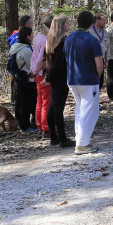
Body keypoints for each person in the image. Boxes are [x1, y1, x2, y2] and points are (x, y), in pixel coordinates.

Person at [64, 11, 104, 154]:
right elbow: (99, 65)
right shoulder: (93, 40)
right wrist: (97, 77)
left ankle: (80, 140)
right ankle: (82, 144)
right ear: (91, 23)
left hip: (72, 79)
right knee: (90, 113)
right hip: (88, 79)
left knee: (80, 111)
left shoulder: (68, 39)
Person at [44, 15, 73, 147]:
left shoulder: (50, 39)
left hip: (54, 78)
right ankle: (62, 139)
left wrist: (48, 76)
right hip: (60, 78)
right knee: (58, 109)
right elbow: (57, 63)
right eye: (67, 23)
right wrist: (48, 77)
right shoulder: (62, 41)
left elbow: (49, 62)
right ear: (61, 25)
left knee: (53, 107)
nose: (69, 25)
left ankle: (54, 138)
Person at [10, 27, 38, 132]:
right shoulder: (25, 50)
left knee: (22, 102)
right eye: (32, 34)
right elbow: (33, 66)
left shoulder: (15, 48)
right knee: (28, 104)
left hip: (20, 78)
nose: (33, 36)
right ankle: (26, 126)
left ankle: (23, 124)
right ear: (27, 36)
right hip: (28, 81)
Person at [30, 15, 53, 136]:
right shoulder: (46, 39)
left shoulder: (38, 36)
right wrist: (35, 70)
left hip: (37, 73)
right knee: (46, 102)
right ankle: (46, 128)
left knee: (40, 101)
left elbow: (34, 55)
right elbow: (39, 58)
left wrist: (33, 69)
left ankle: (40, 126)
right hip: (42, 74)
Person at [90, 13, 110, 88]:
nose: (105, 22)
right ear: (97, 20)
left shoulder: (105, 33)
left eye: (105, 20)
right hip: (92, 58)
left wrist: (107, 60)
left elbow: (108, 47)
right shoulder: (90, 31)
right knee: (93, 80)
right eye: (103, 20)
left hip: (101, 58)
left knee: (100, 81)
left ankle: (96, 97)